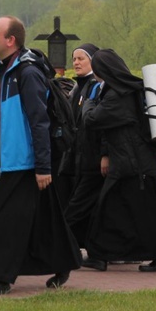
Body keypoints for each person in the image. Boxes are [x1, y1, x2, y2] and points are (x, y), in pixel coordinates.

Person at [0, 16, 81, 295]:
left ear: (10, 40)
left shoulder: (27, 73)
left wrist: (42, 166)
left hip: (21, 163)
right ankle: (63, 260)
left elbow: (39, 122)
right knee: (45, 216)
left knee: (4, 221)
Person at [77, 48, 156, 272]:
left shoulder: (117, 96)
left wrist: (88, 102)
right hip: (139, 163)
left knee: (115, 211)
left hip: (132, 166)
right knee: (133, 212)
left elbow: (92, 120)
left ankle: (105, 255)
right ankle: (104, 255)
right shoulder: (131, 89)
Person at [62, 43, 104, 252]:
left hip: (91, 158)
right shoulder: (78, 86)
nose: (76, 63)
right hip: (78, 156)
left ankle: (61, 245)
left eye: (81, 59)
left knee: (77, 206)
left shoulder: (94, 86)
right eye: (74, 59)